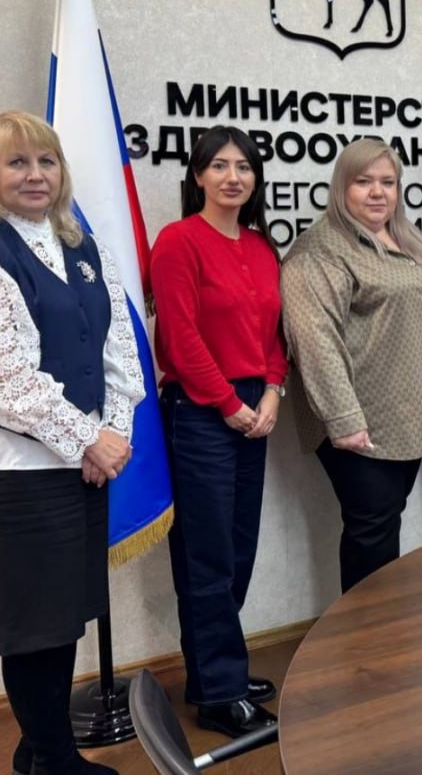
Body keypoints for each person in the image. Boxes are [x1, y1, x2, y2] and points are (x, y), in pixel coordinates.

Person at [0, 111, 143, 775]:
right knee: (32, 628)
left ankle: (37, 754)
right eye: (17, 162)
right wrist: (89, 441)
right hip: (13, 471)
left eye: (46, 161)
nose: (35, 175)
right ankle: (55, 760)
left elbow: (121, 355)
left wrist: (111, 436)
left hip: (78, 466)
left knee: (62, 618)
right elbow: (2, 380)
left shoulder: (86, 250)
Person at [281, 139, 422, 592]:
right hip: (360, 417)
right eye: (363, 181)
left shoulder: (407, 238)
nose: (378, 192)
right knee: (372, 530)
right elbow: (314, 339)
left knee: (383, 522)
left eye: (388, 182)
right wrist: (343, 418)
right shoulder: (320, 249)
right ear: (341, 186)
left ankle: (382, 623)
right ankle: (363, 631)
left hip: (407, 414)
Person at [150, 126, 286, 738]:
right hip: (203, 411)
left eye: (244, 166)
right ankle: (219, 694)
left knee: (237, 549)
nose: (234, 177)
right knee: (206, 555)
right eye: (220, 166)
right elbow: (180, 337)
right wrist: (229, 403)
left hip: (256, 408)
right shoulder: (178, 241)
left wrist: (274, 391)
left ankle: (214, 673)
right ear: (198, 175)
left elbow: (274, 335)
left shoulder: (260, 246)